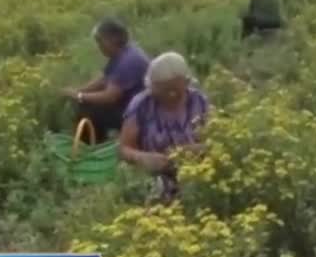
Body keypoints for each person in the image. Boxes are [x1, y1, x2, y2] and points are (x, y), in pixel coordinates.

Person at [117, 52, 209, 203]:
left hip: (195, 171)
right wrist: (142, 157)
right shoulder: (141, 104)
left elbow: (218, 141)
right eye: (164, 91)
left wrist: (196, 149)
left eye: (176, 90)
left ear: (186, 82)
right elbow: (123, 148)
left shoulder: (199, 101)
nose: (171, 95)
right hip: (153, 176)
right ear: (152, 87)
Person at [61, 18, 150, 142]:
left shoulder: (129, 61)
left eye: (100, 41)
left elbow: (109, 97)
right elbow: (104, 79)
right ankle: (94, 141)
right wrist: (78, 91)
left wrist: (79, 96)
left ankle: (88, 149)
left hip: (140, 114)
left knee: (89, 110)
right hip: (130, 105)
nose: (99, 46)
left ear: (112, 39)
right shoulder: (123, 52)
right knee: (87, 102)